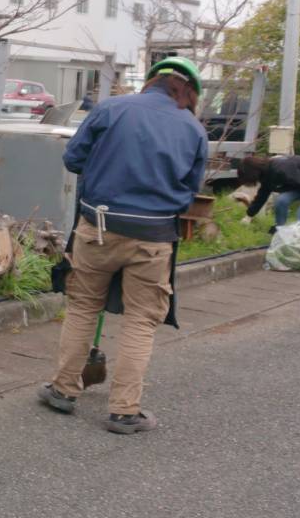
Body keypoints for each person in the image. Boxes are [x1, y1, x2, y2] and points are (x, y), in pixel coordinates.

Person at [39, 57, 208, 434]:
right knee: (141, 321)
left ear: (151, 82)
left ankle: (64, 391)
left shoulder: (112, 109)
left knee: (83, 307)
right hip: (154, 237)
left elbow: (73, 159)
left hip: (98, 226)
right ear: (188, 92)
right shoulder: (193, 129)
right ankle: (124, 411)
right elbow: (190, 190)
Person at [236, 154, 300, 266]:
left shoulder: (281, 168)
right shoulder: (266, 173)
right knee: (281, 201)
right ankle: (281, 232)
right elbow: (262, 195)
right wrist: (249, 215)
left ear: (252, 172)